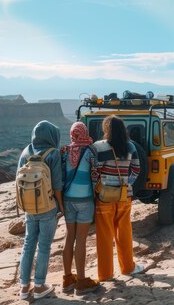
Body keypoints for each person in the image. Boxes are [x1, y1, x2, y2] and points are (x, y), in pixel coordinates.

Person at [93, 115, 143, 281]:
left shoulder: (98, 147)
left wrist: (99, 186)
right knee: (124, 233)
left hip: (104, 197)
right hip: (124, 195)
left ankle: (105, 274)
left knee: (104, 236)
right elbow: (136, 169)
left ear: (106, 129)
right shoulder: (130, 147)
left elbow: (95, 171)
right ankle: (128, 267)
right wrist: (126, 183)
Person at [18, 121, 64, 300]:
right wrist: (61, 207)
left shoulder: (25, 152)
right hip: (47, 207)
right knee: (44, 246)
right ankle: (39, 285)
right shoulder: (53, 154)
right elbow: (57, 185)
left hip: (29, 208)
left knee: (28, 245)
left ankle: (23, 287)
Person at [61, 122, 100, 294]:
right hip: (85, 200)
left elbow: (60, 177)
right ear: (84, 133)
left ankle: (68, 279)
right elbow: (95, 177)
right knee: (81, 240)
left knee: (69, 237)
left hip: (68, 200)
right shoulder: (91, 151)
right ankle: (82, 282)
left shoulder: (64, 151)